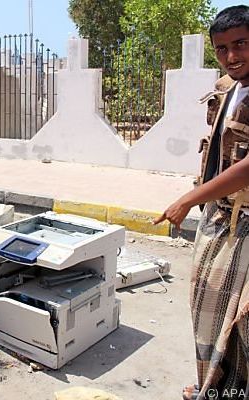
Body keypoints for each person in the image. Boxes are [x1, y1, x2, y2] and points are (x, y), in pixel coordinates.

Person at [155, 6, 249, 400]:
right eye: (222, 48)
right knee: (208, 311)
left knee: (239, 321)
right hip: (220, 218)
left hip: (243, 221)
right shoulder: (229, 87)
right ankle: (216, 387)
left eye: (241, 44)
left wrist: (187, 199)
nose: (232, 56)